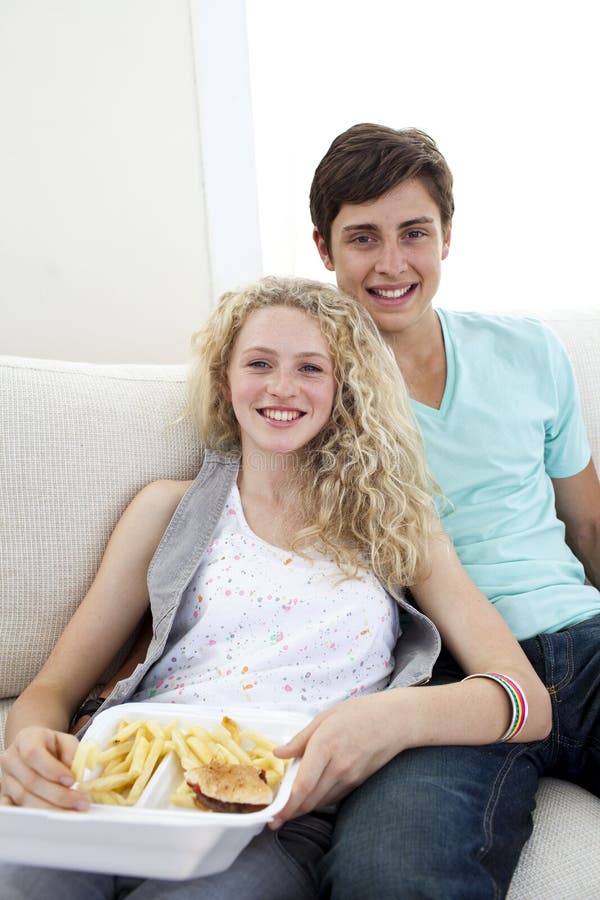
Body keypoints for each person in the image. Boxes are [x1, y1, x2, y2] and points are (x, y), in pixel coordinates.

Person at [0, 276, 550, 900]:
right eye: (259, 363)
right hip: (115, 787)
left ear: (344, 389)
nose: (282, 388)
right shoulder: (167, 510)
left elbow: (527, 700)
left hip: (273, 821)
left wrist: (389, 718)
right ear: (224, 380)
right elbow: (50, 689)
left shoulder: (396, 526)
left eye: (310, 368)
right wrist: (25, 749)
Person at [310, 123, 600, 899]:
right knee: (389, 875)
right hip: (443, 677)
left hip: (584, 637)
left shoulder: (531, 351)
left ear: (447, 238)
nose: (393, 263)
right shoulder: (304, 391)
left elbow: (589, 526)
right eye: (363, 238)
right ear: (324, 249)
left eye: (415, 233)